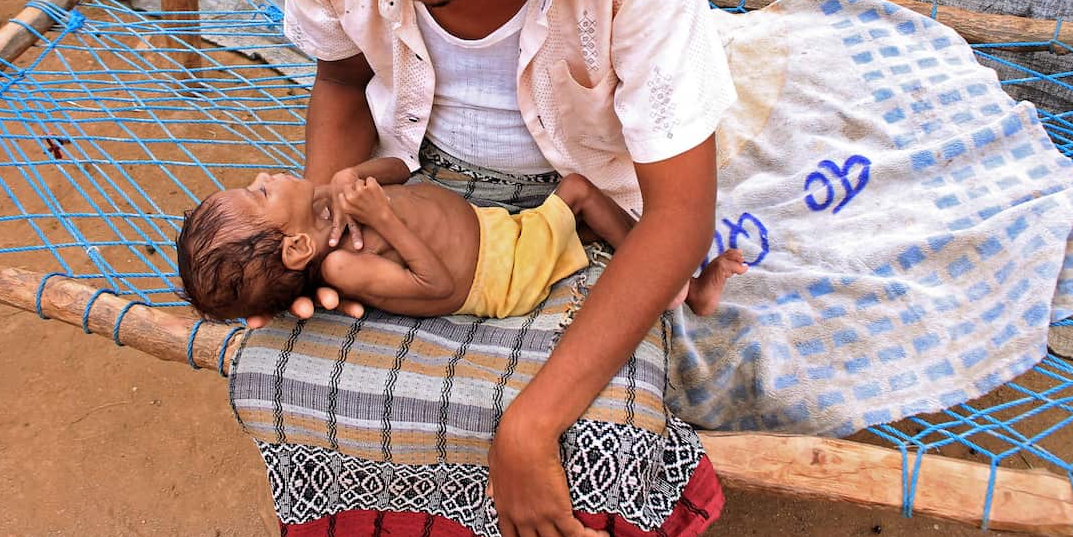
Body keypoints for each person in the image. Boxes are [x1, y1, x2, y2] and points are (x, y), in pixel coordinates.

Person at [253, 0, 737, 537]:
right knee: (287, 376)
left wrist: (530, 424)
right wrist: (322, 222)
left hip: (582, 215)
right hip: (411, 190)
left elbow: (679, 214)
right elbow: (340, 79)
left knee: (599, 435)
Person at [177, 163, 746, 321]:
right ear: (297, 249)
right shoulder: (345, 269)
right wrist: (382, 216)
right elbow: (439, 286)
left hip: (497, 229)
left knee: (583, 223)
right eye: (258, 195)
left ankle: (631, 249)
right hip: (499, 274)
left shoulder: (332, 203)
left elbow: (399, 166)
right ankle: (687, 286)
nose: (265, 177)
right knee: (576, 192)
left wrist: (353, 177)